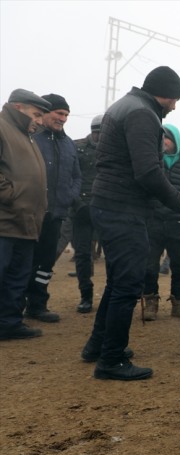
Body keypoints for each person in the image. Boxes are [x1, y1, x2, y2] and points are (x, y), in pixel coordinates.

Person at [80, 66, 180, 381]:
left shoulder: (125, 106)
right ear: (164, 93)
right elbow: (148, 172)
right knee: (128, 284)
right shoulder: (142, 114)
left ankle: (98, 345)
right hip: (123, 208)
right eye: (174, 99)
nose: (174, 106)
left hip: (110, 205)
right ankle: (111, 359)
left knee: (118, 280)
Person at [25, 94, 81, 323]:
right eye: (59, 113)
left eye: (66, 114)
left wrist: (70, 196)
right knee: (23, 261)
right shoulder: (29, 138)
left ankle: (38, 305)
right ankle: (14, 306)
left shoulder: (68, 144)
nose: (63, 118)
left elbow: (76, 175)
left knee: (45, 263)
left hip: (56, 214)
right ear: (45, 113)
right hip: (29, 213)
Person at [0, 89, 50, 340]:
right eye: (37, 114)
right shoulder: (2, 128)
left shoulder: (26, 136)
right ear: (18, 108)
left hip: (26, 222)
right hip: (4, 222)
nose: (40, 121)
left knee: (17, 278)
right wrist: (12, 197)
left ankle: (9, 323)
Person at [142, 123, 180, 321]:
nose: (162, 142)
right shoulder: (151, 162)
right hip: (153, 222)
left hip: (178, 222)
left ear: (175, 140)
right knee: (149, 266)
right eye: (160, 138)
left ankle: (179, 303)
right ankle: (151, 303)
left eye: (166, 138)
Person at [70, 114, 104, 313]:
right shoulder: (77, 147)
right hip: (81, 209)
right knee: (83, 255)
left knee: (114, 256)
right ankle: (86, 295)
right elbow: (70, 177)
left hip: (106, 208)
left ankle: (111, 295)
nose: (100, 136)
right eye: (98, 132)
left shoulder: (116, 148)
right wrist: (78, 205)